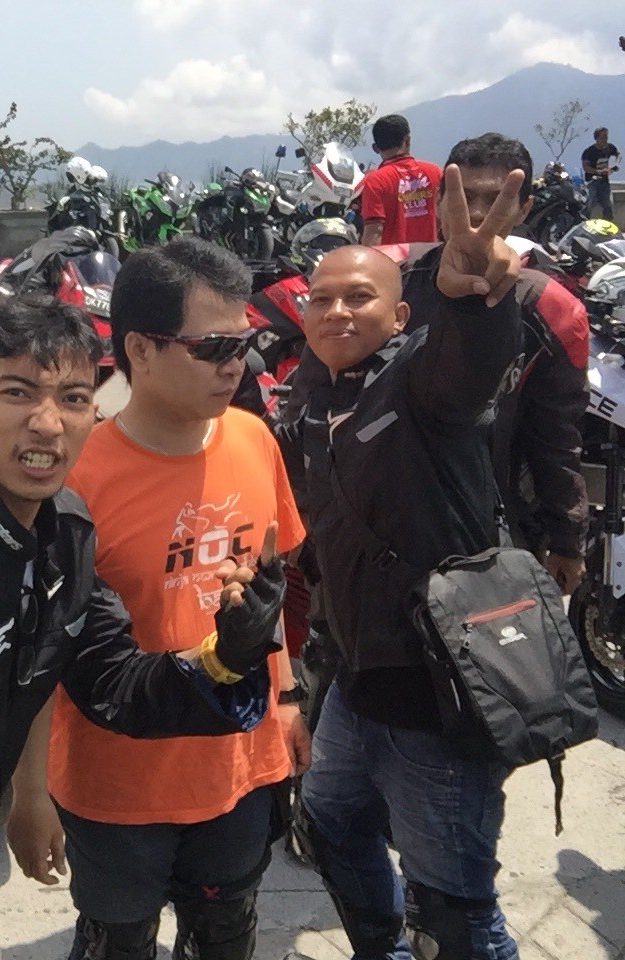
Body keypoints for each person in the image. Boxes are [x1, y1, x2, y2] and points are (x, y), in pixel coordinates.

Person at [0, 293, 288, 891]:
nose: (47, 423)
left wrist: (230, 654)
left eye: (72, 399)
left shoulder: (67, 530)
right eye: (18, 393)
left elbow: (114, 685)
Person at [12, 239, 308, 960]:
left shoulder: (253, 439)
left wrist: (287, 698)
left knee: (226, 935)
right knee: (117, 943)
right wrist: (29, 790)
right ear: (139, 350)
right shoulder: (78, 480)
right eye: (213, 347)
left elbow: (270, 589)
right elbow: (43, 651)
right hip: (117, 786)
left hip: (238, 769)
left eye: (244, 343)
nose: (236, 365)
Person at [279, 165, 526, 959]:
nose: (337, 311)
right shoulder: (313, 400)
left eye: (359, 297)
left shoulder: (420, 384)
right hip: (355, 686)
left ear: (399, 316)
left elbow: (465, 367)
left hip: (438, 702)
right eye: (321, 298)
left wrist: (470, 299)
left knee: (455, 907)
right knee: (329, 823)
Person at [390, 133, 589, 594]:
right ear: (439, 203)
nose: (477, 213)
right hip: (386, 524)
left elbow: (556, 438)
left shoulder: (551, 308)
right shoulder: (389, 286)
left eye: (496, 199)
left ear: (523, 209)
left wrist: (567, 539)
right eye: (463, 197)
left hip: (490, 531)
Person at [360, 114, 443, 246]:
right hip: (429, 256)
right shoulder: (435, 172)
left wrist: (366, 258)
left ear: (375, 148)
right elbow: (444, 219)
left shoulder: (376, 180)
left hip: (391, 258)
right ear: (407, 140)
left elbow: (374, 231)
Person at [581, 126, 620, 223]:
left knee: (608, 204)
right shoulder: (589, 151)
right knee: (590, 201)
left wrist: (614, 164)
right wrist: (598, 171)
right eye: (602, 137)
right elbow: (586, 167)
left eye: (606, 137)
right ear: (597, 138)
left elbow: (618, 155)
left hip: (604, 182)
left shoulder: (610, 148)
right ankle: (582, 221)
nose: (605, 140)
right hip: (592, 181)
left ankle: (607, 223)